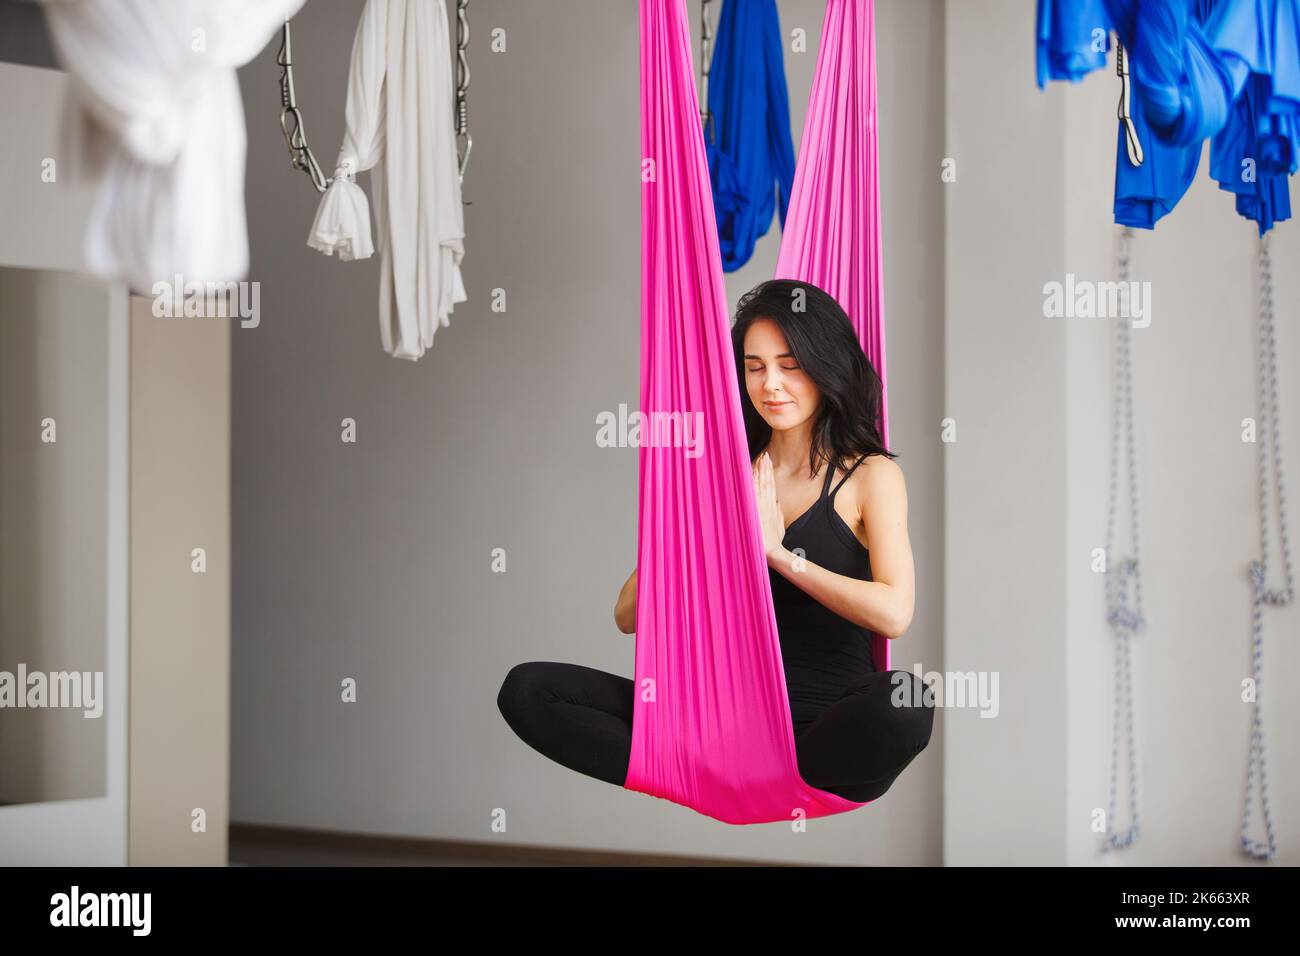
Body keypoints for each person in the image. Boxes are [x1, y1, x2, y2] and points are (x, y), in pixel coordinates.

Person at [497, 279, 934, 803]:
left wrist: (775, 553)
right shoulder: (725, 476)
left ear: (825, 363)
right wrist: (709, 520)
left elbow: (894, 613)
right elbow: (628, 615)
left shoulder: (868, 475)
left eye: (789, 364)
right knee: (528, 691)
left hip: (825, 735)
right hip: (721, 727)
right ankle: (706, 771)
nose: (770, 383)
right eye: (755, 366)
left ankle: (773, 774)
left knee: (906, 702)